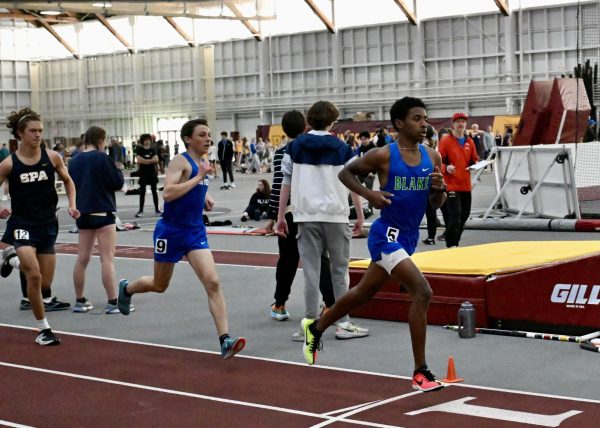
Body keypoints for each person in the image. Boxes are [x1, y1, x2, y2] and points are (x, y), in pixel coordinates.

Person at [300, 97, 447, 392]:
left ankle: (315, 328)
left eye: (425, 118)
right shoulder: (383, 155)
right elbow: (346, 173)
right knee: (422, 292)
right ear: (399, 123)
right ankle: (421, 372)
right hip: (386, 235)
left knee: (363, 293)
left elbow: (435, 203)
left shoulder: (433, 157)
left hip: (408, 236)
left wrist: (439, 191)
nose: (424, 124)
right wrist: (371, 196)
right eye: (417, 118)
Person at [117, 119, 246, 359]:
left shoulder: (204, 162)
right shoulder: (180, 160)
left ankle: (225, 340)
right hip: (171, 232)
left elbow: (194, 186)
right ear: (188, 139)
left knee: (213, 282)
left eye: (209, 134)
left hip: (195, 232)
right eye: (202, 135)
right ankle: (127, 289)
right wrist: (198, 180)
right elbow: (167, 193)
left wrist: (203, 196)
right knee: (160, 285)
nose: (208, 138)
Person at [276, 100, 368, 341]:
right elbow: (353, 185)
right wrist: (359, 214)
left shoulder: (294, 147)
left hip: (305, 216)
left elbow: (285, 183)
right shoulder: (343, 148)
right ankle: (344, 323)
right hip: (336, 216)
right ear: (333, 122)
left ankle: (308, 326)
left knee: (311, 273)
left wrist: (280, 218)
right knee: (339, 272)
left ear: (309, 121)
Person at [0, 108, 80, 345]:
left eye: (40, 131)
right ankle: (43, 329)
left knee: (44, 284)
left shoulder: (53, 157)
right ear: (20, 134)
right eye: (33, 131)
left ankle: (10, 259)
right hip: (22, 224)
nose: (38, 135)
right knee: (33, 275)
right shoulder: (8, 164)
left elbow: (68, 181)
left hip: (47, 224)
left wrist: (72, 204)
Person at [266, 110, 336, 326]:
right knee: (321, 258)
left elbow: (279, 185)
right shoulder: (315, 148)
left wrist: (273, 215)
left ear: (283, 131)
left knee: (287, 260)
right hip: (315, 210)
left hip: (289, 212)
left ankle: (280, 304)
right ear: (305, 126)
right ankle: (331, 304)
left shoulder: (281, 152)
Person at [68, 126, 129, 314]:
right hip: (103, 211)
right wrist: (118, 169)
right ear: (101, 140)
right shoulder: (102, 158)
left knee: (82, 258)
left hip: (82, 212)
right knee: (107, 259)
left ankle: (79, 300)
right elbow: (117, 183)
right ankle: (112, 301)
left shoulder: (74, 160)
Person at [438, 112, 478, 248]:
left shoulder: (470, 142)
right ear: (453, 124)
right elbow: (438, 162)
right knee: (455, 215)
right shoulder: (445, 142)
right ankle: (451, 244)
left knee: (464, 216)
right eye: (458, 121)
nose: (461, 124)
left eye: (463, 121)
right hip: (451, 185)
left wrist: (476, 165)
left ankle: (454, 241)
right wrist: (446, 168)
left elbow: (474, 159)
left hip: (466, 185)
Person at [421, 124, 439, 245]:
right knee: (431, 211)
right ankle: (431, 237)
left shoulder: (421, 147)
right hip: (432, 180)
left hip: (422, 180)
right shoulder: (433, 147)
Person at [135, 134, 161, 217]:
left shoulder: (153, 150)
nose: (147, 141)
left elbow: (156, 160)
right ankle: (140, 211)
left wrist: (145, 160)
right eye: (145, 140)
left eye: (148, 140)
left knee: (154, 192)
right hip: (143, 174)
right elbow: (139, 161)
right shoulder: (139, 149)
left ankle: (157, 210)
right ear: (143, 141)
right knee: (142, 192)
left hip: (152, 173)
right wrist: (150, 160)